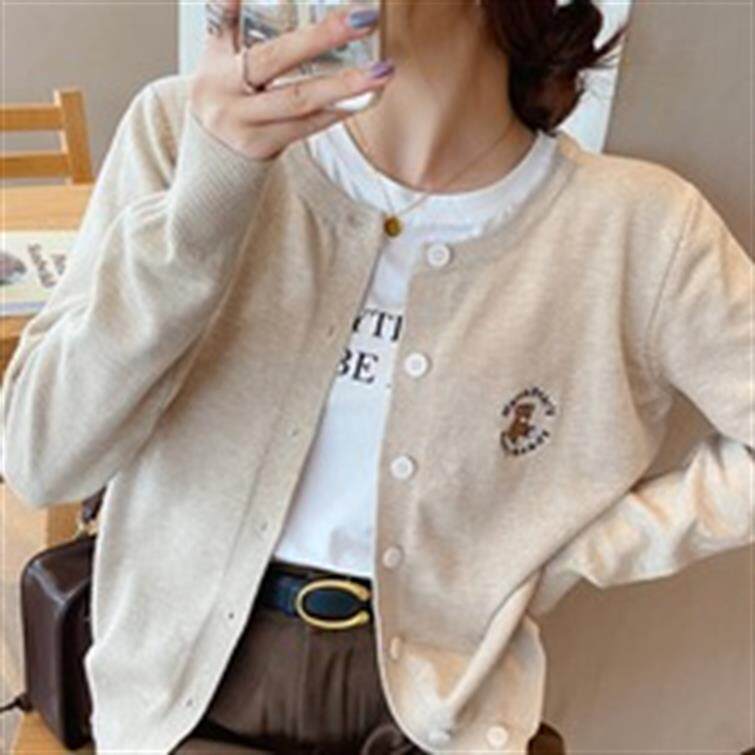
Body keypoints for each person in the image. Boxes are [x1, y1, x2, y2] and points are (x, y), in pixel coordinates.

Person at [2, 0, 752, 753]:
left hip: (442, 713)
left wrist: (578, 548)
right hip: (183, 702)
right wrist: (205, 206)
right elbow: (41, 460)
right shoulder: (183, 131)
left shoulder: (636, 226)